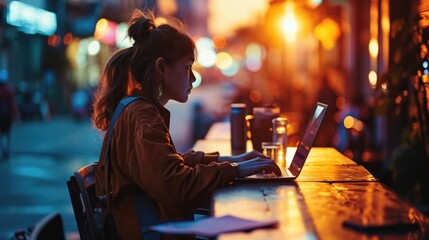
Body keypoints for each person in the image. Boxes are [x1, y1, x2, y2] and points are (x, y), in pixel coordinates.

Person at [91, 9, 281, 239]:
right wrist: (234, 170)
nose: (192, 78)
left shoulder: (140, 110)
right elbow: (174, 185)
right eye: (187, 67)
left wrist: (233, 161)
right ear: (161, 68)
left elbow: (167, 165)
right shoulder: (142, 116)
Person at [0, 69, 19, 160]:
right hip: (7, 116)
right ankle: (6, 151)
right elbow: (13, 104)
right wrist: (16, 116)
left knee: (3, 134)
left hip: (2, 116)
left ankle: (4, 150)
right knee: (7, 134)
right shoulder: (9, 90)